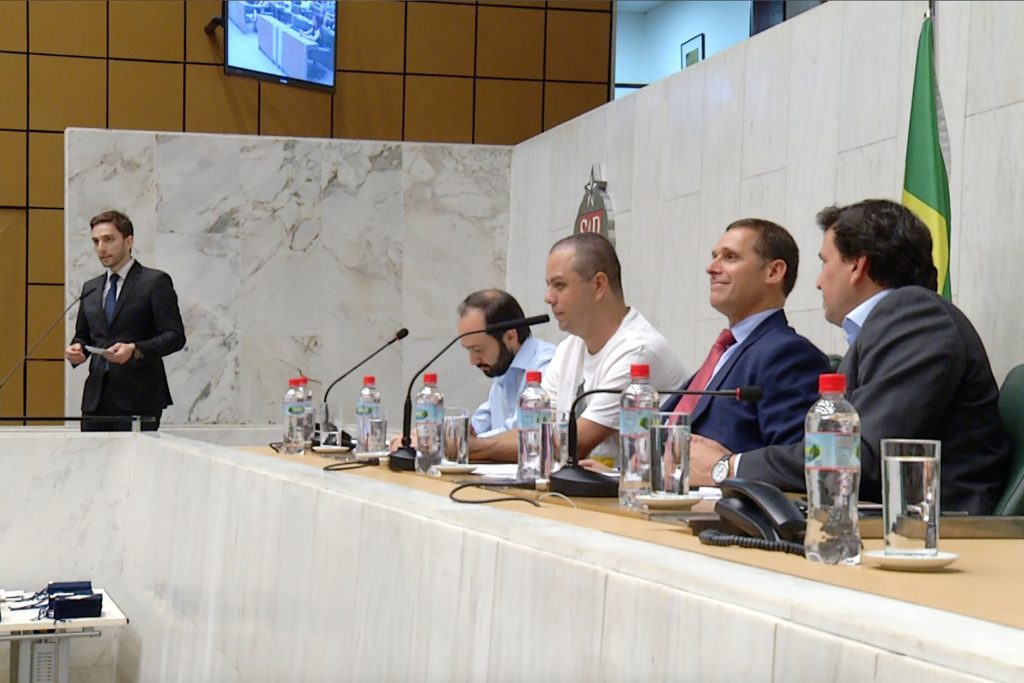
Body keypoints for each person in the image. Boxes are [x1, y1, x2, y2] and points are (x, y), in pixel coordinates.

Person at [691, 199, 1010, 516]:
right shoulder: (888, 326)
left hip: (938, 530)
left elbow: (858, 456)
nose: (818, 282)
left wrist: (728, 466)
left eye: (825, 263)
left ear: (857, 266)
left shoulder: (916, 317)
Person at [662, 219, 829, 453]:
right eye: (714, 256)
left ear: (773, 272)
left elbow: (793, 459)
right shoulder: (726, 350)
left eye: (730, 257)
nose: (711, 267)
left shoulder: (789, 355)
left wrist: (724, 466)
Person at [542, 233, 688, 465]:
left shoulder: (638, 350)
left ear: (599, 285)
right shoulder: (568, 348)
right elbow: (536, 428)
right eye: (548, 285)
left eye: (559, 285)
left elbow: (576, 443)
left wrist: (482, 447)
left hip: (639, 485)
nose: (548, 298)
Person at [65, 210, 186, 431]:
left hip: (139, 398)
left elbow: (175, 336)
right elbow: (83, 335)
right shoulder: (91, 287)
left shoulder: (154, 282)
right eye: (96, 241)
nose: (101, 248)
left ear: (128, 241)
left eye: (108, 239)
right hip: (96, 400)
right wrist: (77, 349)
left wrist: (135, 349)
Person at [458, 290, 556, 462]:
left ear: (510, 337)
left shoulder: (548, 365)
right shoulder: (504, 367)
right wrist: (436, 435)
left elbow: (526, 431)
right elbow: (481, 424)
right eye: (469, 350)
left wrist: (462, 444)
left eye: (478, 350)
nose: (472, 361)